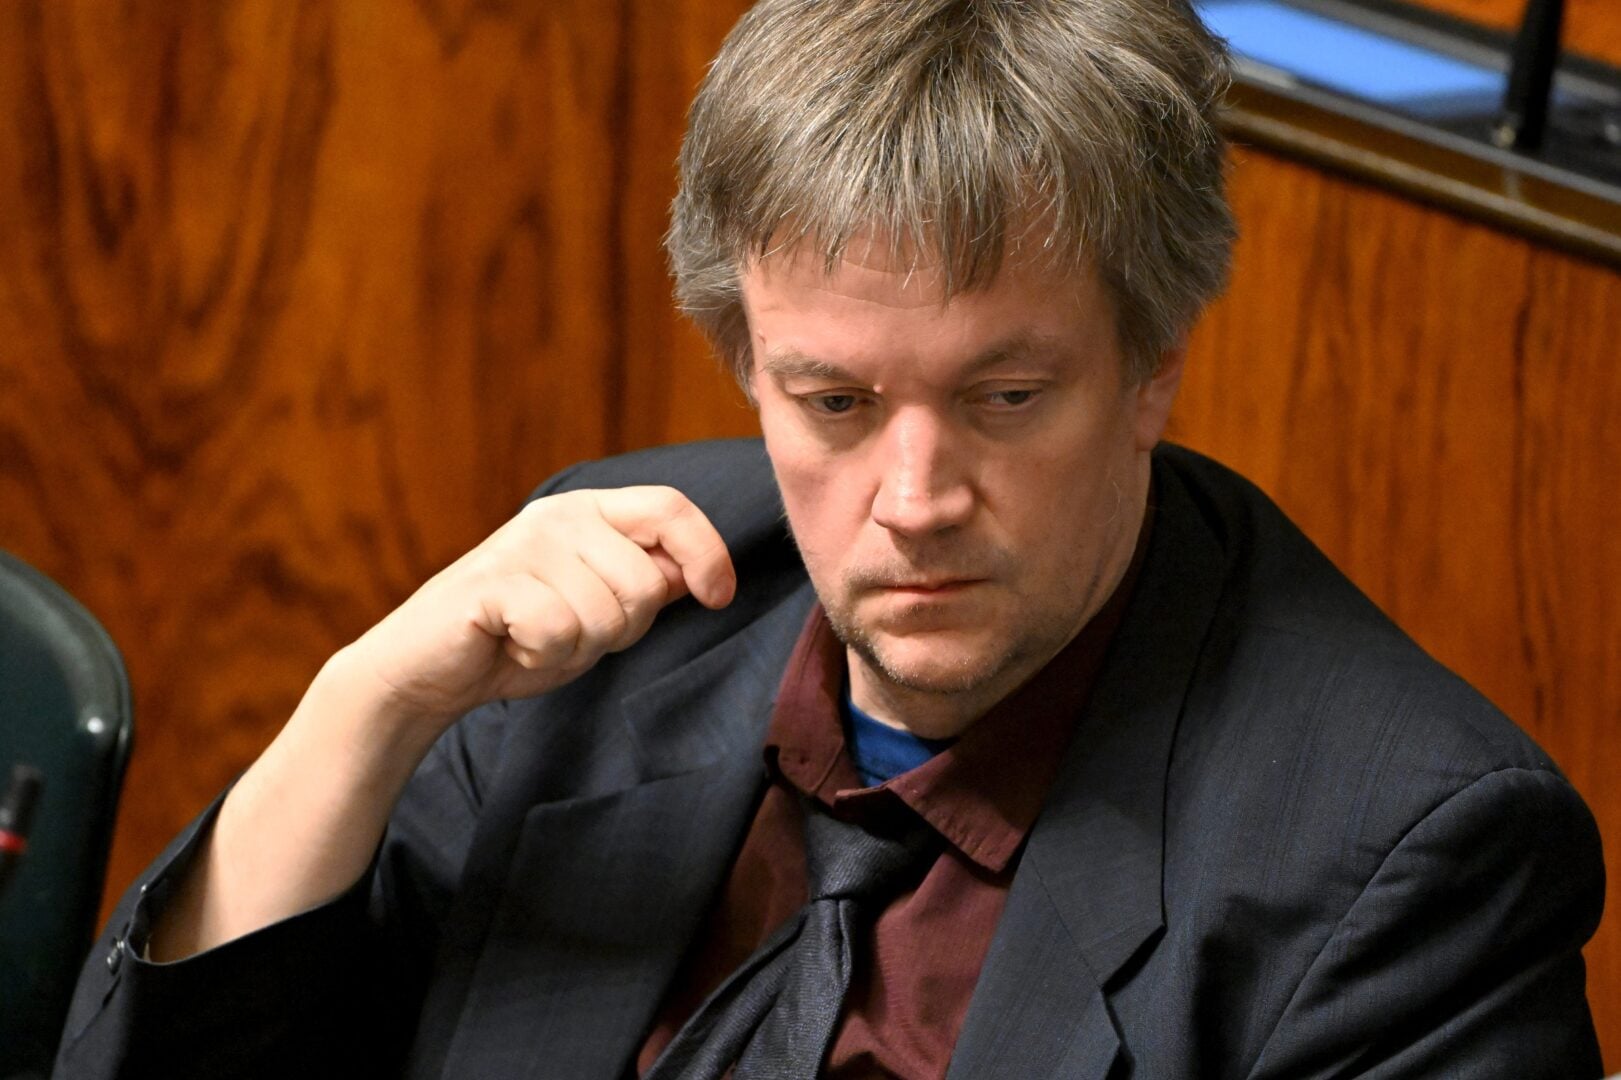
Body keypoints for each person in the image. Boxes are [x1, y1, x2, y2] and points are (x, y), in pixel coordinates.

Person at [57, 0, 1603, 1077]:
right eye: (836, 403)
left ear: (1152, 367)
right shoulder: (604, 626)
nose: (914, 496)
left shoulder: (1403, 856)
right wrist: (365, 709)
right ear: (747, 366)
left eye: (1004, 397)